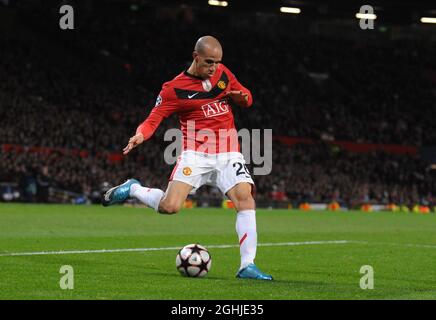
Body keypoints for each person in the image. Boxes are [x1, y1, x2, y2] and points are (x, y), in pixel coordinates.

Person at [102, 36, 273, 280]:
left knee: (245, 198)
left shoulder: (222, 73)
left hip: (228, 151)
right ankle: (134, 189)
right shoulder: (173, 89)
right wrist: (140, 134)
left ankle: (247, 265)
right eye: (209, 62)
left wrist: (242, 97)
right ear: (196, 57)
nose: (214, 68)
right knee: (170, 207)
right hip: (196, 154)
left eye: (217, 62)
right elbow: (153, 119)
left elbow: (246, 96)